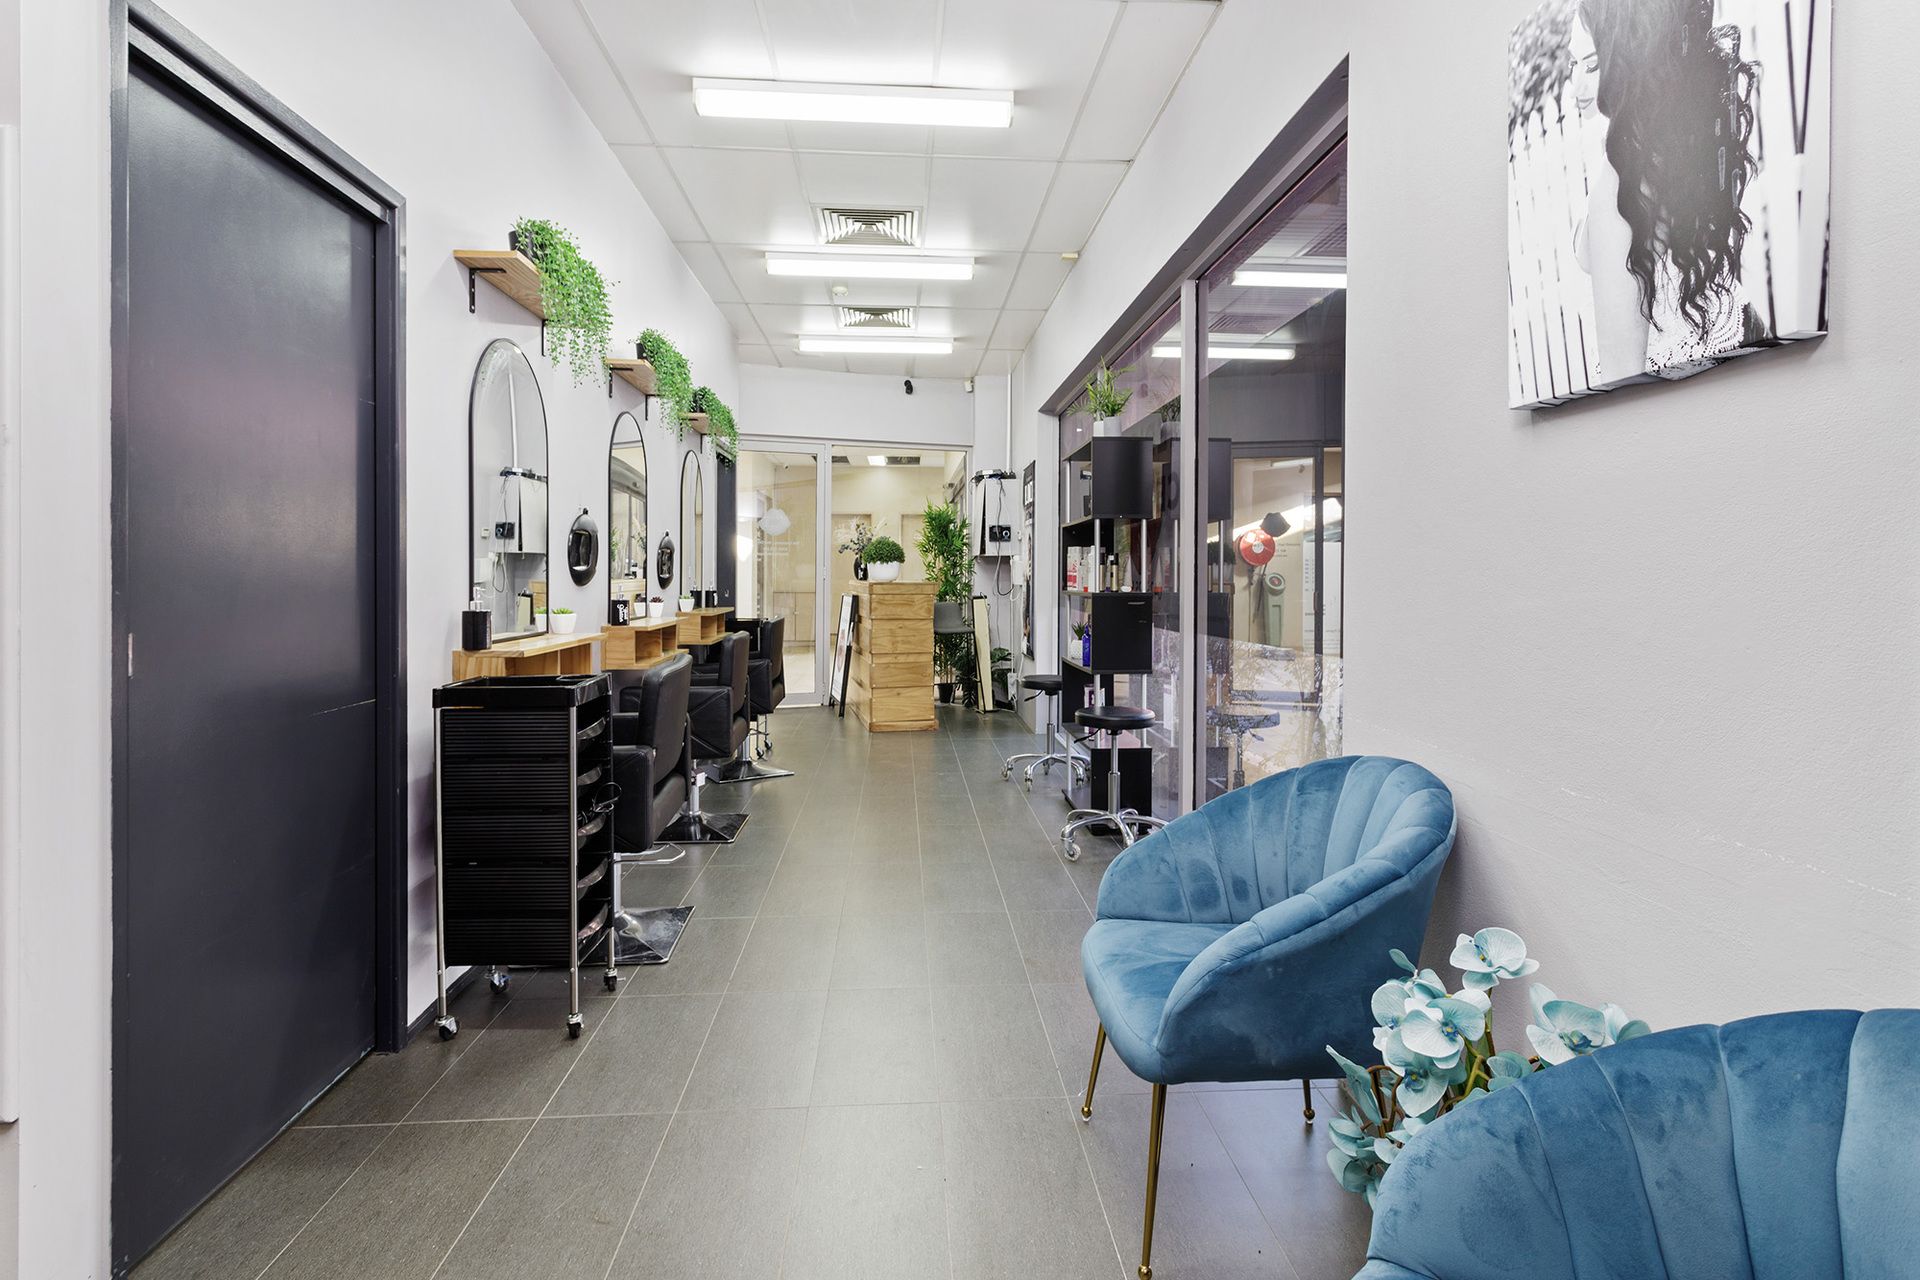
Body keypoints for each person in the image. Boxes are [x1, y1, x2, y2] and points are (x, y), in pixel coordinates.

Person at [1570, 0, 1761, 381]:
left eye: (1591, 65)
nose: (1576, 85)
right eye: (1571, 64)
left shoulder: (1620, 183)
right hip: (1743, 339)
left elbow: (1623, 377)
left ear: (1629, 58)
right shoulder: (1676, 143)